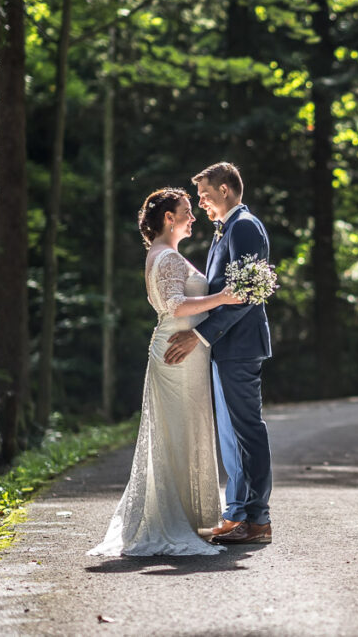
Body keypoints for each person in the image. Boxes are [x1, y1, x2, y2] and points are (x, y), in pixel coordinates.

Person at [89, 188, 243, 557]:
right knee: (178, 432)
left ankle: (189, 517)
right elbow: (175, 306)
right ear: (169, 219)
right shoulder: (168, 258)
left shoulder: (160, 254)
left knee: (184, 430)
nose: (193, 217)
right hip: (178, 350)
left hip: (178, 348)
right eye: (186, 211)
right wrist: (223, 298)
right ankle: (175, 520)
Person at [164, 163, 274, 545]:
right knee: (230, 435)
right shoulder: (226, 229)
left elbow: (249, 292)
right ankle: (238, 513)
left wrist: (200, 336)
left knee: (247, 432)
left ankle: (257, 520)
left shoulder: (244, 226)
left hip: (239, 346)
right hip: (226, 346)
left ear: (225, 190)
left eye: (205, 195)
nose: (201, 203)